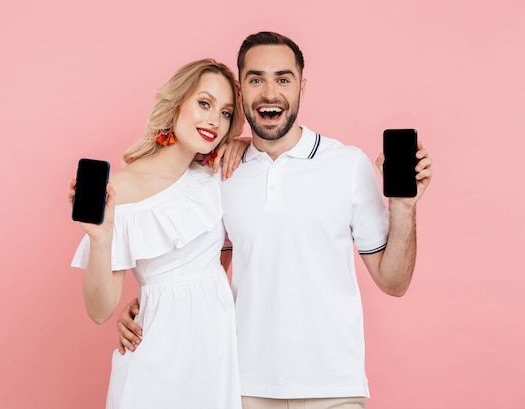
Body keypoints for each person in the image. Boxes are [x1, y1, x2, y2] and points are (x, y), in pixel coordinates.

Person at [117, 32, 433, 409]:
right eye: (256, 79)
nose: (270, 92)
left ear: (302, 86)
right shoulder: (220, 174)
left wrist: (405, 208)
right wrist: (150, 305)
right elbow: (201, 267)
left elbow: (394, 282)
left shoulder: (347, 165)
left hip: (333, 388)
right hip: (241, 386)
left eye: (283, 79)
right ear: (241, 93)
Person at [69, 59, 247, 409]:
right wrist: (101, 240)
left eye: (226, 113)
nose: (214, 120)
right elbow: (100, 310)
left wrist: (241, 143)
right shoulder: (122, 189)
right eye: (204, 103)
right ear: (177, 103)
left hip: (215, 355)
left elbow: (220, 255)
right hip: (156, 358)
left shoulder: (216, 178)